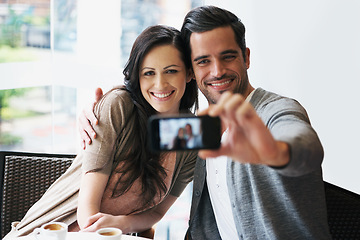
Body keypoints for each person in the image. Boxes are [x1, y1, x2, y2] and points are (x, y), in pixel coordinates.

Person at [78, 5, 332, 240]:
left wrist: (275, 151)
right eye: (203, 61)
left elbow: (305, 146)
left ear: (247, 57)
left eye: (228, 56)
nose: (217, 71)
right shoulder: (195, 130)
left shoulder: (275, 110)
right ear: (191, 71)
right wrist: (104, 104)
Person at [3, 25, 198, 239]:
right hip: (48, 233)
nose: (160, 84)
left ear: (189, 73)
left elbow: (158, 212)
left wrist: (122, 223)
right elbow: (88, 217)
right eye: (148, 73)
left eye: (171, 71)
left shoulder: (189, 134)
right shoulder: (119, 106)